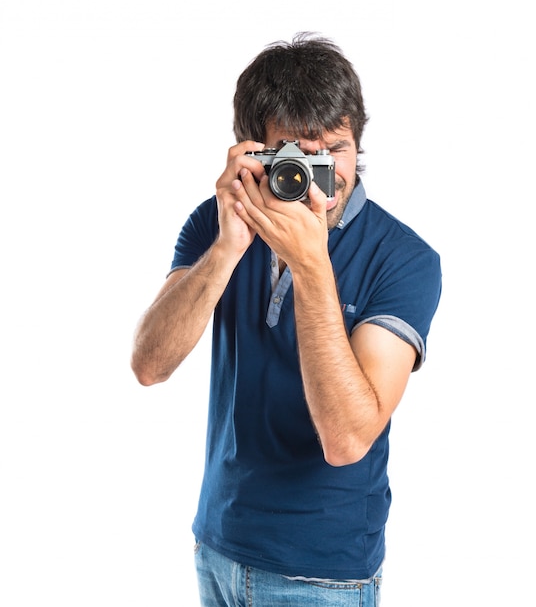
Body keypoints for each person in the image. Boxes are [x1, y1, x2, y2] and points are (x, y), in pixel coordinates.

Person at [131, 32, 442, 606]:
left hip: (322, 574)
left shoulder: (405, 259)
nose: (322, 174)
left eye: (338, 149)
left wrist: (311, 267)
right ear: (256, 153)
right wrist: (226, 248)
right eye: (299, 154)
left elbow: (348, 438)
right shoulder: (217, 223)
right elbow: (149, 366)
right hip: (218, 548)